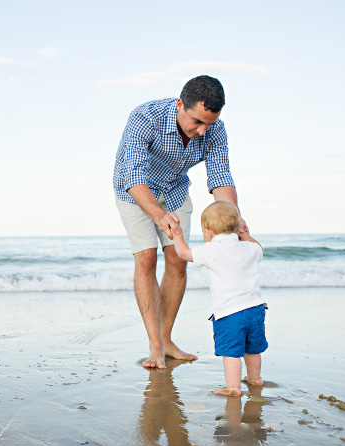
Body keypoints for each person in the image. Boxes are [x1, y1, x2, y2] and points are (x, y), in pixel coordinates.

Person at [112, 75, 249, 370]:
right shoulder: (145, 117)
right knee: (147, 258)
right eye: (197, 122)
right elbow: (134, 177)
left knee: (177, 260)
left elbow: (221, 177)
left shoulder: (215, 131)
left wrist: (233, 220)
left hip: (174, 189)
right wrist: (160, 217)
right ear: (180, 105)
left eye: (209, 124)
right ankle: (155, 345)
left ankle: (167, 338)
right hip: (135, 190)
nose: (202, 131)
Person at [172, 200, 266, 396]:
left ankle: (233, 388)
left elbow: (183, 253)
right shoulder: (248, 247)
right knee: (252, 348)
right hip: (256, 309)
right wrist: (246, 235)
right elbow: (259, 248)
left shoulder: (211, 250)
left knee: (232, 352)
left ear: (208, 232)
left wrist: (177, 234)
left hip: (230, 313)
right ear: (236, 228)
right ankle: (255, 378)